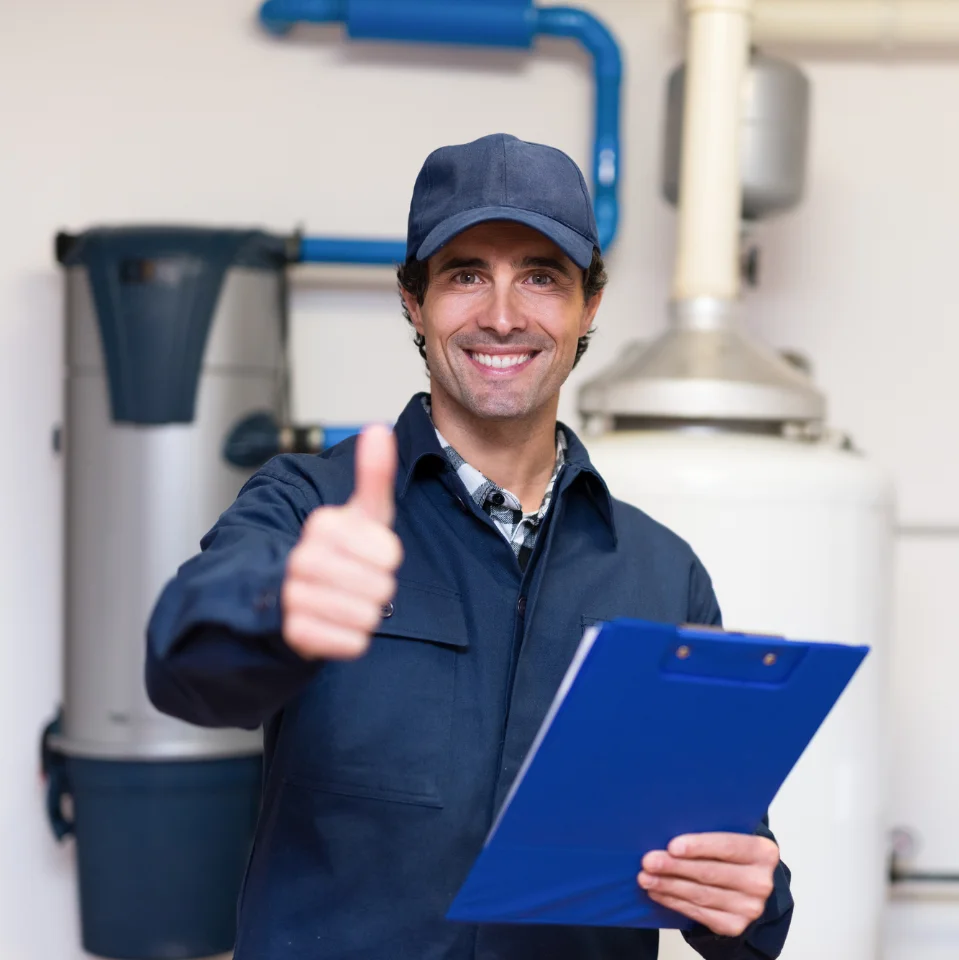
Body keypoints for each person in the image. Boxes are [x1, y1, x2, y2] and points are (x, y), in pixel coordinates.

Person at [145, 133, 793, 960]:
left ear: (589, 305)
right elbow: (185, 667)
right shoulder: (311, 510)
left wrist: (746, 899)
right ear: (413, 301)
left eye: (541, 275)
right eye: (464, 274)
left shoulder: (664, 576)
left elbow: (738, 888)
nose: (501, 314)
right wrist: (277, 604)